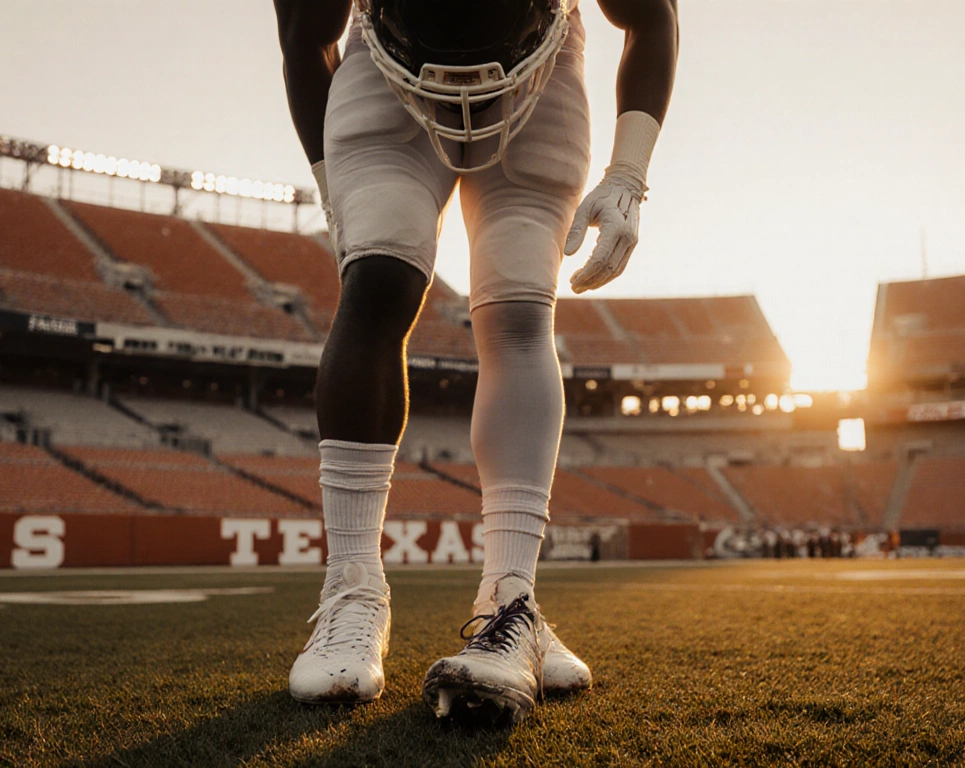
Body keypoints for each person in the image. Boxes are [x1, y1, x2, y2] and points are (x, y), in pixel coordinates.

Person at [273, 0, 678, 724]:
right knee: (377, 278)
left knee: (522, 312)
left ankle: (510, 600)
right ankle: (352, 590)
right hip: (386, 70)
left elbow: (651, 14)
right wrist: (335, 188)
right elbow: (307, 35)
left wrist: (627, 176)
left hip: (539, 70)